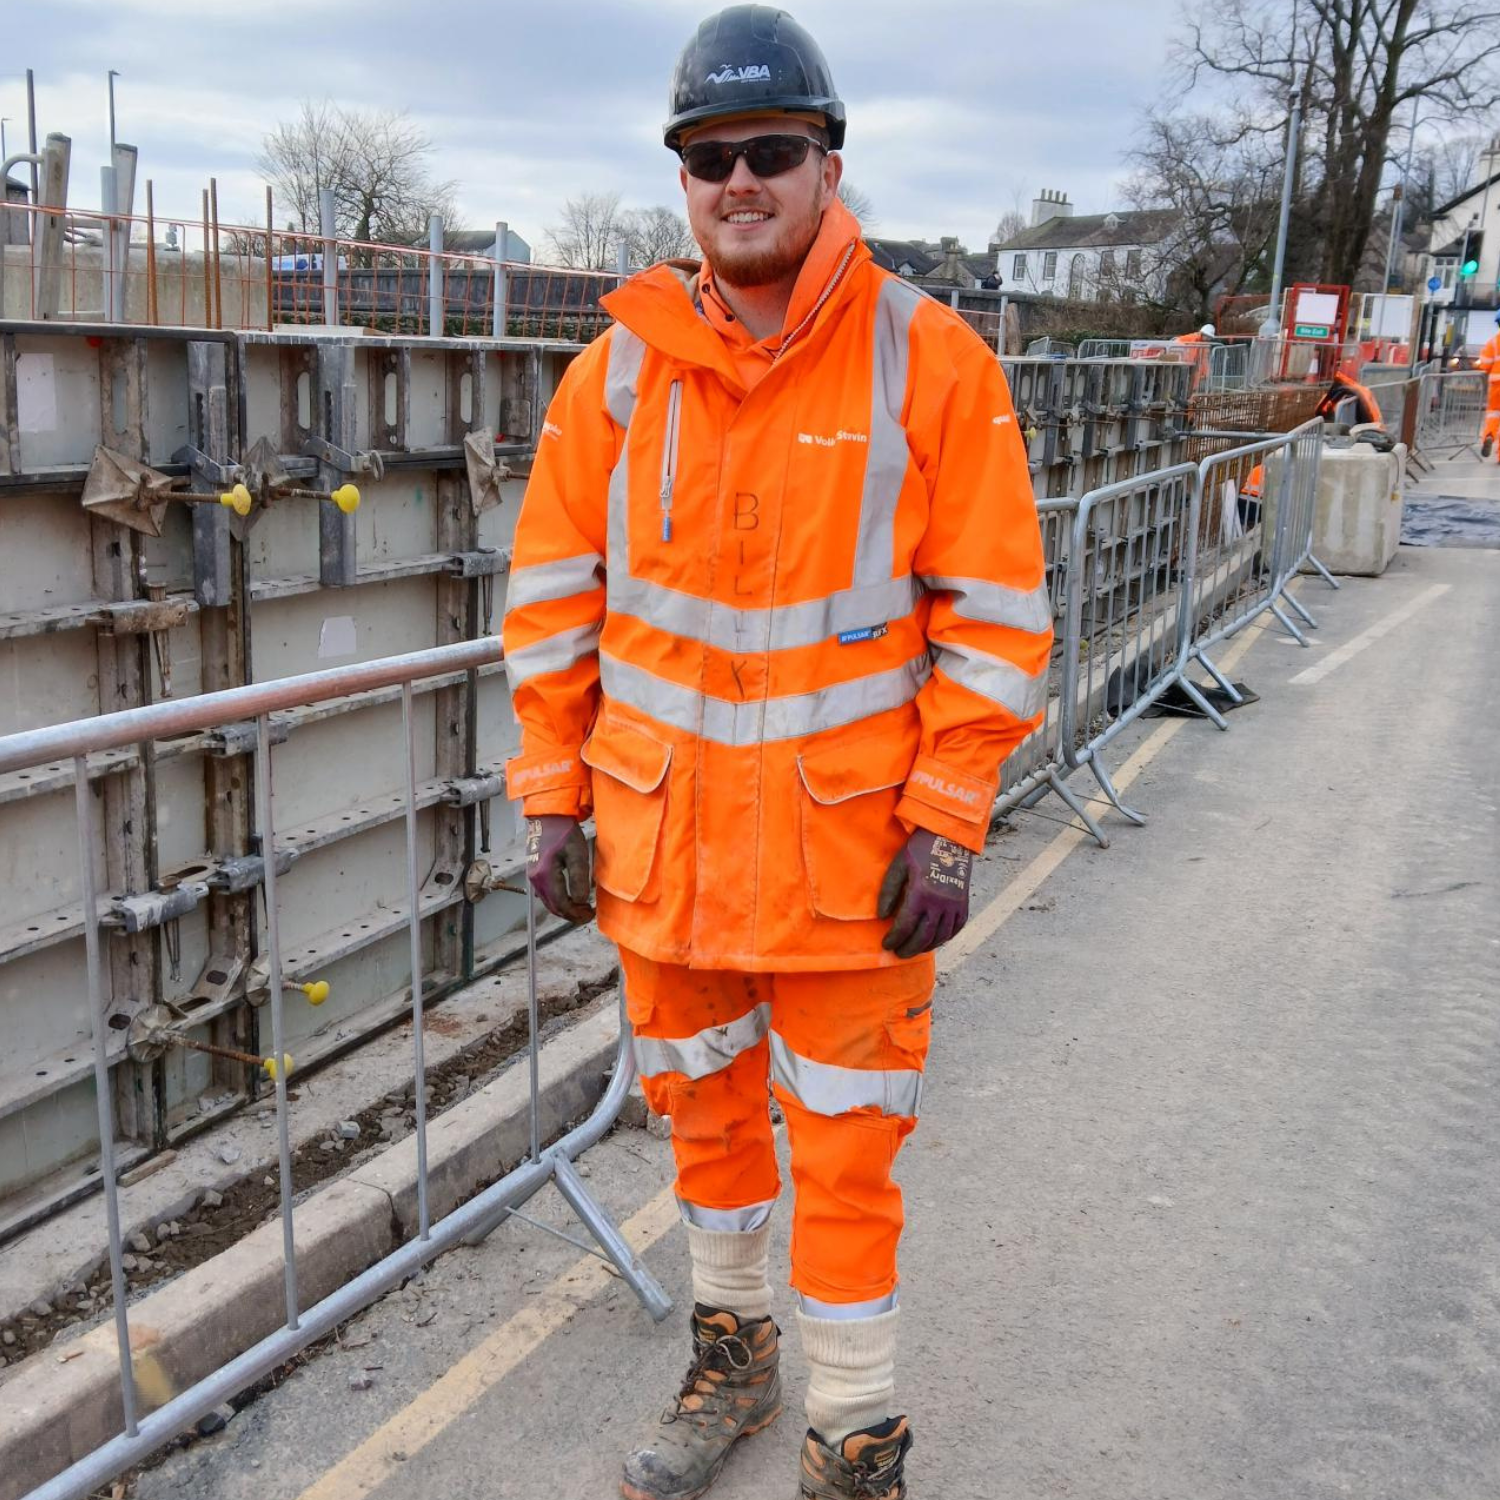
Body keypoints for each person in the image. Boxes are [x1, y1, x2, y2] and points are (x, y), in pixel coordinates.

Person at [501, 8, 1051, 1496]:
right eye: (707, 158)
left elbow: (997, 614)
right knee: (707, 1123)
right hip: (666, 849)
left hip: (849, 864)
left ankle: (854, 1428)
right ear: (681, 181)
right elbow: (553, 606)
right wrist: (553, 795)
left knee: (853, 1153)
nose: (738, 181)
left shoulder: (928, 363)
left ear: (827, 165)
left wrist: (947, 818)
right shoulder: (616, 379)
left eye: (769, 153)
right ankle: (734, 1360)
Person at [1477, 310, 1500, 460]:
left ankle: (1489, 435)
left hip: (1496, 383)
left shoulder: (1494, 341)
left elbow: (1484, 364)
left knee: (1493, 414)